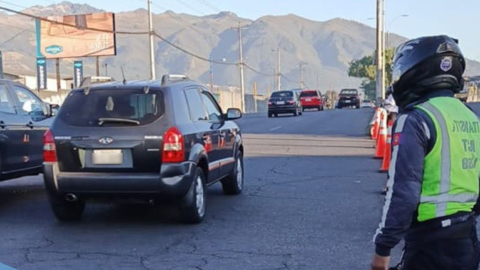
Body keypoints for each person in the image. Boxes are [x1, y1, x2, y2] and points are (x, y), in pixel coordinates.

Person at [370, 35, 480, 270]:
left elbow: (403, 193)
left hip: (430, 244)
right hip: (466, 240)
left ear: (414, 71)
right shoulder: (470, 117)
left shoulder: (415, 119)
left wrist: (383, 247)